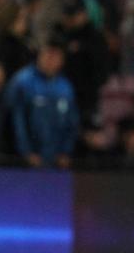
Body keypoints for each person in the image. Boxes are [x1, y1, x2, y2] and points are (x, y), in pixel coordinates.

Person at [5, 39, 79, 169]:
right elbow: (16, 120)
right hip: (24, 162)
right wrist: (26, 152)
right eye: (47, 55)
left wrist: (66, 152)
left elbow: (72, 122)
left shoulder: (65, 87)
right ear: (39, 55)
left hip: (56, 162)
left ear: (62, 60)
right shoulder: (22, 82)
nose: (50, 60)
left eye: (55, 56)